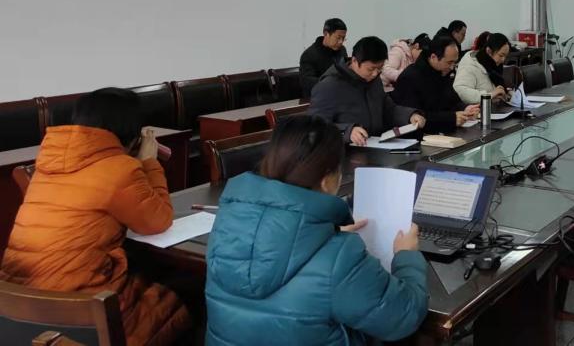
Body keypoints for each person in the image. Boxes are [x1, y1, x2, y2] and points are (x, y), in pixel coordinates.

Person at [205, 115, 428, 345]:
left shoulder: (225, 228)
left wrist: (325, 233)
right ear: (326, 180)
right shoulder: (340, 258)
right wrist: (407, 255)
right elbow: (403, 316)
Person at [0, 88, 191, 346]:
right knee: (182, 295)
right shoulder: (120, 168)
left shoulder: (47, 163)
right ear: (132, 135)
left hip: (16, 308)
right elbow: (159, 220)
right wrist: (149, 161)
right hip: (79, 313)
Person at [310, 36, 426, 145]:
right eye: (371, 69)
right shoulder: (329, 86)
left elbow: (388, 109)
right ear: (354, 61)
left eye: (379, 68)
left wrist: (409, 116)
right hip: (344, 150)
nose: (375, 73)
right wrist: (347, 132)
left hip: (374, 146)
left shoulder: (374, 80)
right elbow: (315, 129)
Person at [392, 36, 479, 133]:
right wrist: (451, 118)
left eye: (455, 63)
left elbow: (452, 100)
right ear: (433, 57)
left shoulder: (443, 72)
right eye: (449, 62)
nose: (452, 67)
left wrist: (465, 108)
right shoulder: (410, 78)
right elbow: (416, 117)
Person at [454, 32, 512, 105]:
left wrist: (505, 92)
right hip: (475, 110)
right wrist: (490, 95)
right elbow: (461, 91)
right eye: (501, 55)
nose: (503, 60)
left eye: (505, 56)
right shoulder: (470, 65)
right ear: (489, 51)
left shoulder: (492, 64)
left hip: (490, 107)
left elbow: (492, 87)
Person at [300, 18, 349, 97]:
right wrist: (332, 82)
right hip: (318, 97)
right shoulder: (309, 54)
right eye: (338, 37)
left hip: (339, 95)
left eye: (343, 38)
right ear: (326, 34)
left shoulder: (342, 50)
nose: (341, 42)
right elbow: (307, 82)